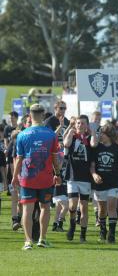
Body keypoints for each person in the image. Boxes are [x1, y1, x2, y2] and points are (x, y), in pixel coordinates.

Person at [12, 104, 61, 250]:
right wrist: (57, 174)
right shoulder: (51, 134)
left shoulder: (22, 134)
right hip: (45, 178)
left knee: (27, 209)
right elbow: (54, 159)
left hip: (27, 177)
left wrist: (15, 177)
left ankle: (28, 241)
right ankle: (42, 238)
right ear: (43, 114)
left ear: (30, 115)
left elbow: (19, 159)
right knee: (45, 207)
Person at [91, 123, 118, 244]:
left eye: (102, 133)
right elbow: (92, 165)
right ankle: (103, 231)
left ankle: (112, 234)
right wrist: (94, 174)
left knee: (112, 207)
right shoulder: (97, 148)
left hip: (114, 182)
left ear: (108, 135)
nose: (100, 135)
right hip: (100, 183)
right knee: (102, 210)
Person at [63, 115, 98, 243]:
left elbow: (94, 144)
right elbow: (66, 144)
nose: (80, 125)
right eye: (78, 123)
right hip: (72, 176)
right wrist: (70, 132)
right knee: (72, 205)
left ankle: (83, 234)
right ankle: (72, 225)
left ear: (86, 125)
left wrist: (92, 132)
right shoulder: (72, 137)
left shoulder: (89, 138)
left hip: (85, 178)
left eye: (83, 123)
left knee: (84, 207)